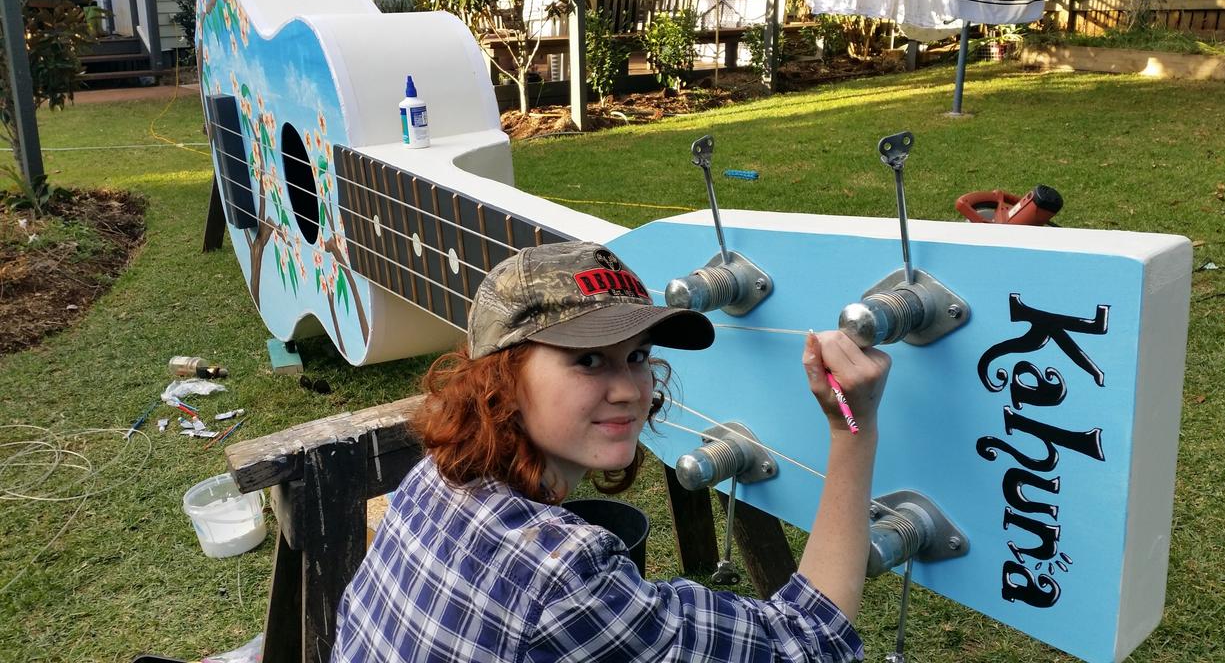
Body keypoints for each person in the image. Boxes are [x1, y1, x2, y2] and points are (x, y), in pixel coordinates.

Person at [332, 241, 890, 662]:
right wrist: (852, 427)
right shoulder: (563, 573)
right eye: (589, 360)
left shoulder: (436, 479)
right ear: (498, 381)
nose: (630, 390)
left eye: (638, 355)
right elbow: (809, 642)